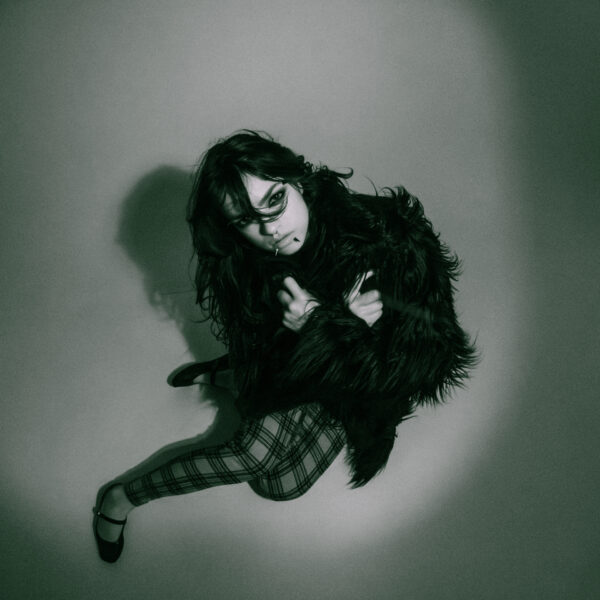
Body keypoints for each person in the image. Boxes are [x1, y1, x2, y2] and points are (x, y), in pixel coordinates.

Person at [93, 130, 477, 562]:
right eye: (245, 220)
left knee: (280, 485)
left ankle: (226, 376)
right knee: (253, 454)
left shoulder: (387, 243)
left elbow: (422, 363)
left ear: (297, 181)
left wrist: (327, 326)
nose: (270, 229)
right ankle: (121, 497)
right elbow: (268, 362)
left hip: (359, 389)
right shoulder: (247, 264)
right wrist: (309, 331)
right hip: (297, 375)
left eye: (275, 200)